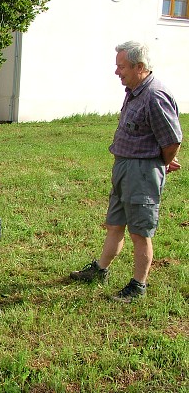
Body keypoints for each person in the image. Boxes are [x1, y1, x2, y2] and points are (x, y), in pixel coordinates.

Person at [70, 41, 182, 303]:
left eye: (122, 66)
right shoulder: (135, 91)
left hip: (142, 172)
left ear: (139, 67)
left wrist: (162, 162)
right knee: (115, 224)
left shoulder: (155, 95)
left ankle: (138, 285)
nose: (117, 71)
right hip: (124, 168)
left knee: (140, 232)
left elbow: (172, 140)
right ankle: (101, 270)